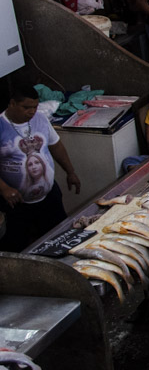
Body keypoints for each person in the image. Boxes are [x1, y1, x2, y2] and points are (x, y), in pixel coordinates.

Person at [0, 83, 81, 252]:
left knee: (62, 239)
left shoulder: (41, 119)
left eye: (35, 107)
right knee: (18, 247)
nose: (31, 112)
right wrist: (4, 188)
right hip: (16, 204)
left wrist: (70, 171)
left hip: (48, 196)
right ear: (12, 103)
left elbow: (56, 146)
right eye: (26, 107)